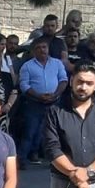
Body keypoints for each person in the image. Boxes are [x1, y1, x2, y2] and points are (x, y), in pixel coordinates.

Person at [18, 37, 67, 166]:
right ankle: (21, 159)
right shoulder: (27, 66)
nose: (42, 50)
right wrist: (39, 96)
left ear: (48, 48)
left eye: (44, 47)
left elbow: (63, 80)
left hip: (54, 102)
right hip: (34, 103)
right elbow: (24, 85)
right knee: (30, 131)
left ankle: (53, 160)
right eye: (38, 48)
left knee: (52, 132)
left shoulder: (57, 63)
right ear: (34, 51)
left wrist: (55, 94)